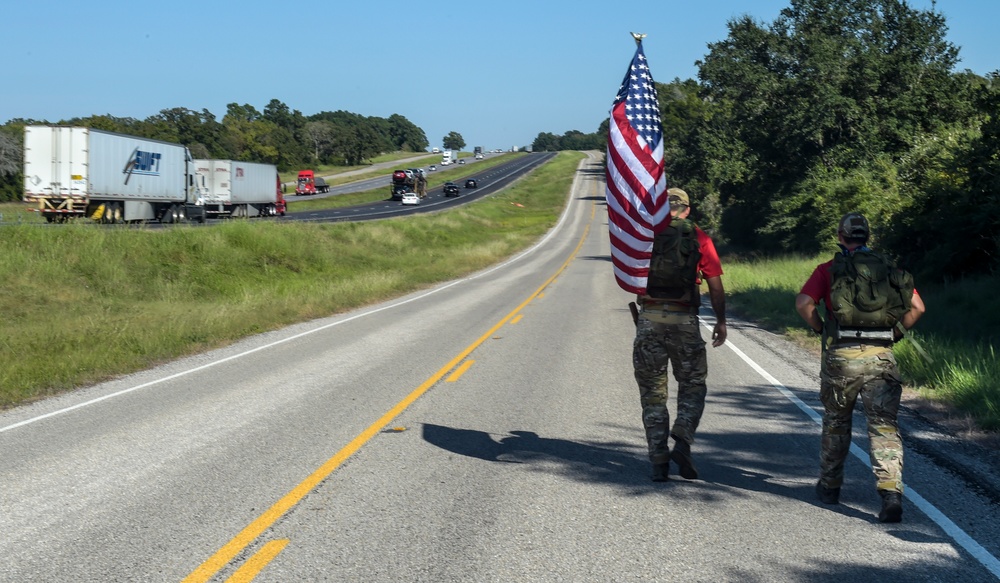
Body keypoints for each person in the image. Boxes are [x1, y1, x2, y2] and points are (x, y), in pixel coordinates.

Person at [795, 212, 925, 523]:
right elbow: (918, 307)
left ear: (841, 237)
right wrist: (893, 334)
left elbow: (803, 303)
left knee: (837, 422)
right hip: (881, 357)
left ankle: (829, 486)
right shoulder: (888, 270)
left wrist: (819, 328)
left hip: (842, 357)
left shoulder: (828, 270)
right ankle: (891, 491)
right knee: (884, 426)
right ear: (867, 236)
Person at [633, 187, 727, 482]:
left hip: (649, 319)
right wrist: (721, 321)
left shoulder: (646, 236)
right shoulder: (699, 237)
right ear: (687, 209)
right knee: (693, 384)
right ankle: (683, 438)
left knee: (653, 393)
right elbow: (715, 285)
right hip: (685, 320)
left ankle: (658, 460)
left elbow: (631, 273)